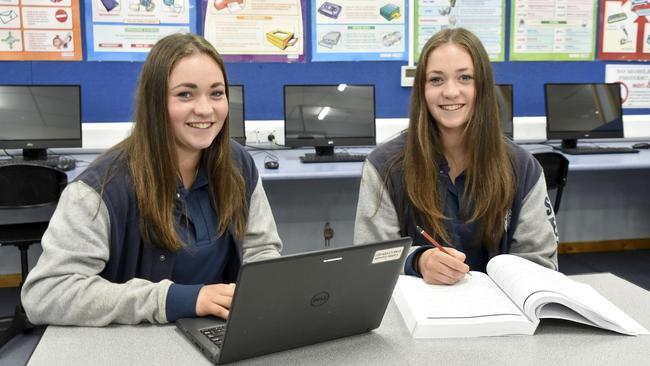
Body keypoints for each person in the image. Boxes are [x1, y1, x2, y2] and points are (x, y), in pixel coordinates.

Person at [21, 33, 282, 325]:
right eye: (185, 94)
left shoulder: (238, 165)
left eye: (216, 93)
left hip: (219, 333)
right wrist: (176, 299)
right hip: (138, 343)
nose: (206, 109)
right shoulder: (101, 189)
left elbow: (261, 250)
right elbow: (45, 294)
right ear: (154, 102)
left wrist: (263, 298)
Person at [354, 28, 558, 285]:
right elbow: (370, 259)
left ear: (482, 86)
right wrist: (418, 261)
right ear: (422, 90)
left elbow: (541, 264)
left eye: (464, 77)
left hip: (502, 314)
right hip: (416, 313)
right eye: (436, 80)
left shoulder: (522, 167)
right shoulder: (384, 165)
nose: (450, 92)